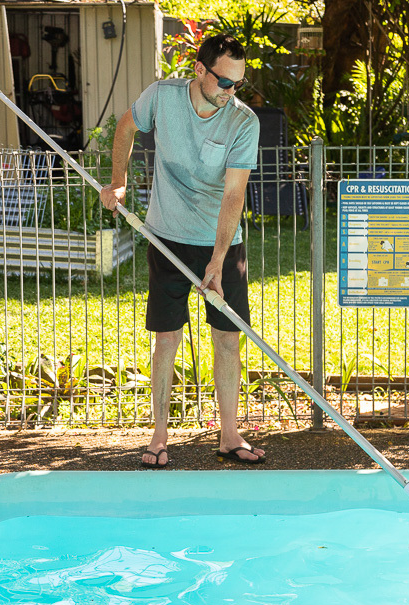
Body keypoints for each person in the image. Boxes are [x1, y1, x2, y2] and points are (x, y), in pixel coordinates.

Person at [100, 33, 265, 468]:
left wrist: (216, 259)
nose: (231, 93)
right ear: (199, 70)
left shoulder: (243, 122)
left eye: (238, 85)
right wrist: (118, 181)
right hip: (166, 236)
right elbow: (125, 126)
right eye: (224, 83)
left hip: (222, 243)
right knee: (167, 338)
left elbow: (234, 196)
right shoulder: (163, 97)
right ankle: (158, 437)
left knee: (228, 340)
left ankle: (229, 435)